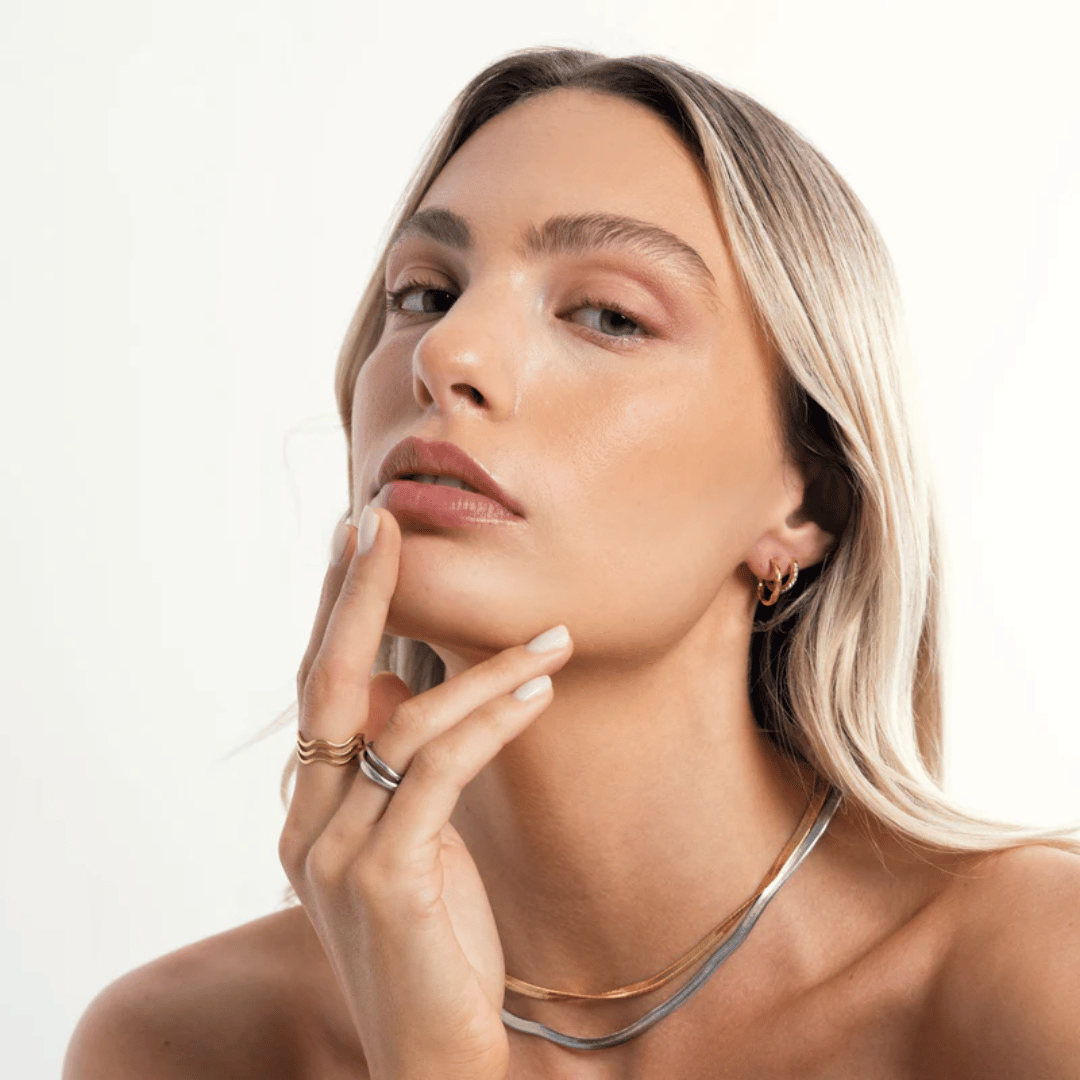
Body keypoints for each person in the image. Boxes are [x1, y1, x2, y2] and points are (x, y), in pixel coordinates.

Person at [64, 46, 1080, 1079]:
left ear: (809, 498)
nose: (446, 354)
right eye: (424, 293)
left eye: (608, 316)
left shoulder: (1042, 976)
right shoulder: (181, 1045)